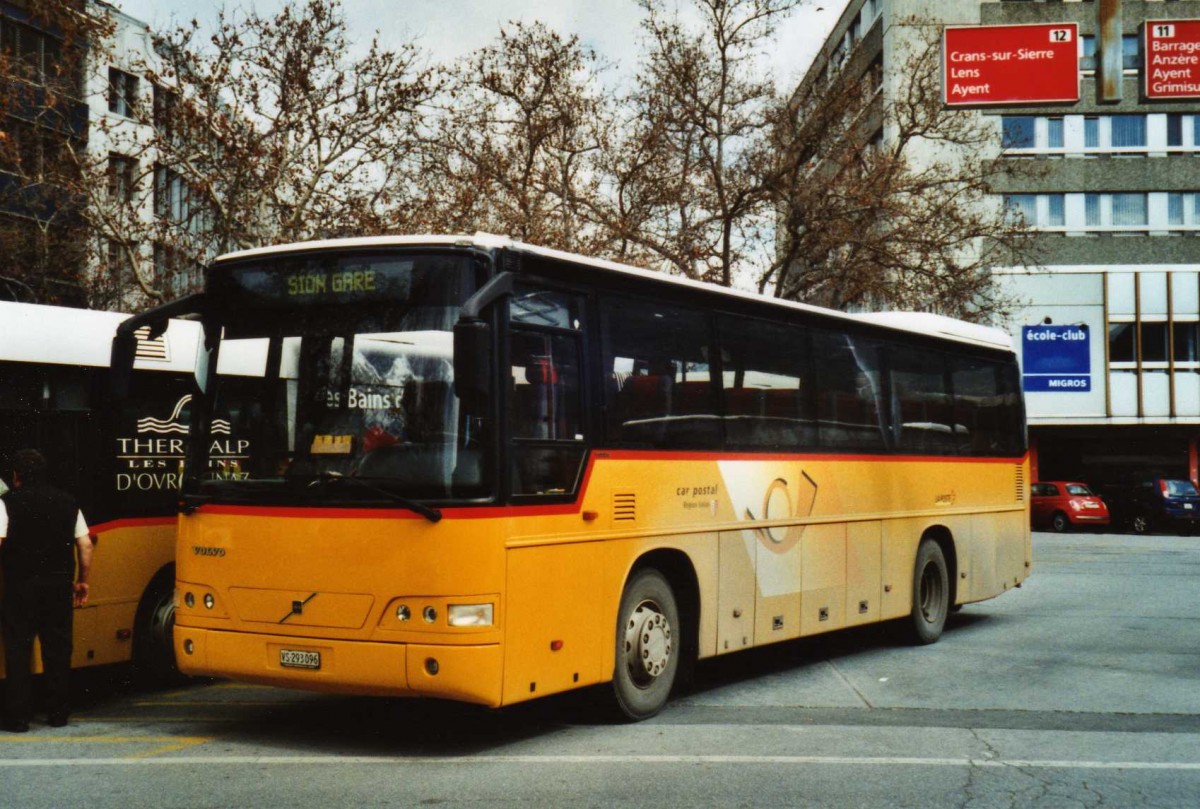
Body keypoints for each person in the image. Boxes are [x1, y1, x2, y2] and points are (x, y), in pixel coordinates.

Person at [0, 449, 93, 732]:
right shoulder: (68, 502)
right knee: (58, 648)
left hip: (20, 586)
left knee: (18, 650)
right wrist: (82, 581)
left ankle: (18, 718)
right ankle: (58, 713)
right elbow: (86, 546)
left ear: (16, 476)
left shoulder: (6, 503)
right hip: (58, 586)